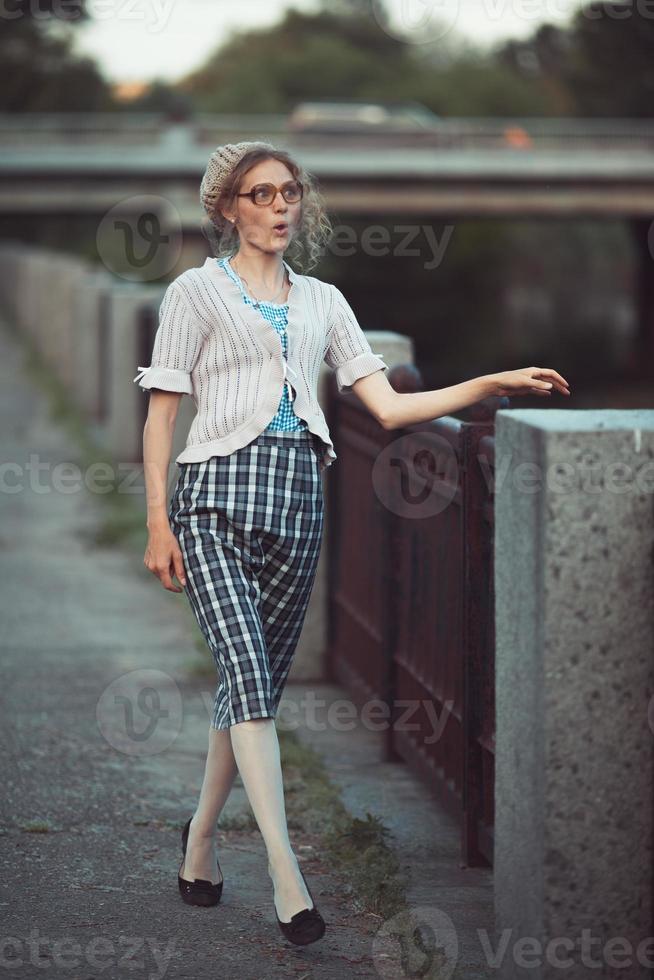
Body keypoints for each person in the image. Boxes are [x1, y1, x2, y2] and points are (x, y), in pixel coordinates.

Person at [134, 141, 571, 946]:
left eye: (288, 193)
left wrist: (493, 382)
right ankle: (285, 872)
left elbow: (391, 408)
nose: (278, 207)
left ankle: (199, 844)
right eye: (260, 195)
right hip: (212, 502)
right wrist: (159, 522)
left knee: (249, 684)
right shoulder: (195, 293)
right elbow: (163, 414)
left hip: (298, 502)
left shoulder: (326, 302)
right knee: (252, 683)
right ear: (227, 208)